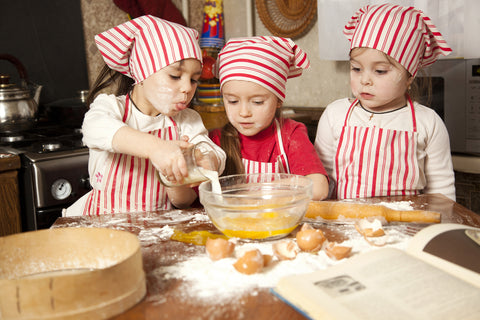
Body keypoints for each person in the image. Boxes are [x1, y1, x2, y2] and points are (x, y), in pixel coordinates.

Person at [65, 15, 226, 216]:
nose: (187, 88)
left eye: (194, 79)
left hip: (158, 228)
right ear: (142, 72)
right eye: (175, 76)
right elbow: (94, 128)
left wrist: (206, 160)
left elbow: (213, 157)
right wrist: (156, 148)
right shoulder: (112, 108)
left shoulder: (186, 121)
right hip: (103, 227)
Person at [314, 4, 455, 200]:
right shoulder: (335, 114)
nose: (365, 80)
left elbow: (442, 192)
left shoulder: (428, 123)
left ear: (409, 77)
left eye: (380, 71)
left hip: (408, 227)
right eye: (356, 68)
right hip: (343, 224)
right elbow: (322, 180)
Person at [209, 36, 329, 201]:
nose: (244, 112)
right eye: (233, 101)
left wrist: (253, 194)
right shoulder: (216, 140)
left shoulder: (290, 134)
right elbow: (190, 198)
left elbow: (318, 188)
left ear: (278, 100)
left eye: (257, 102)